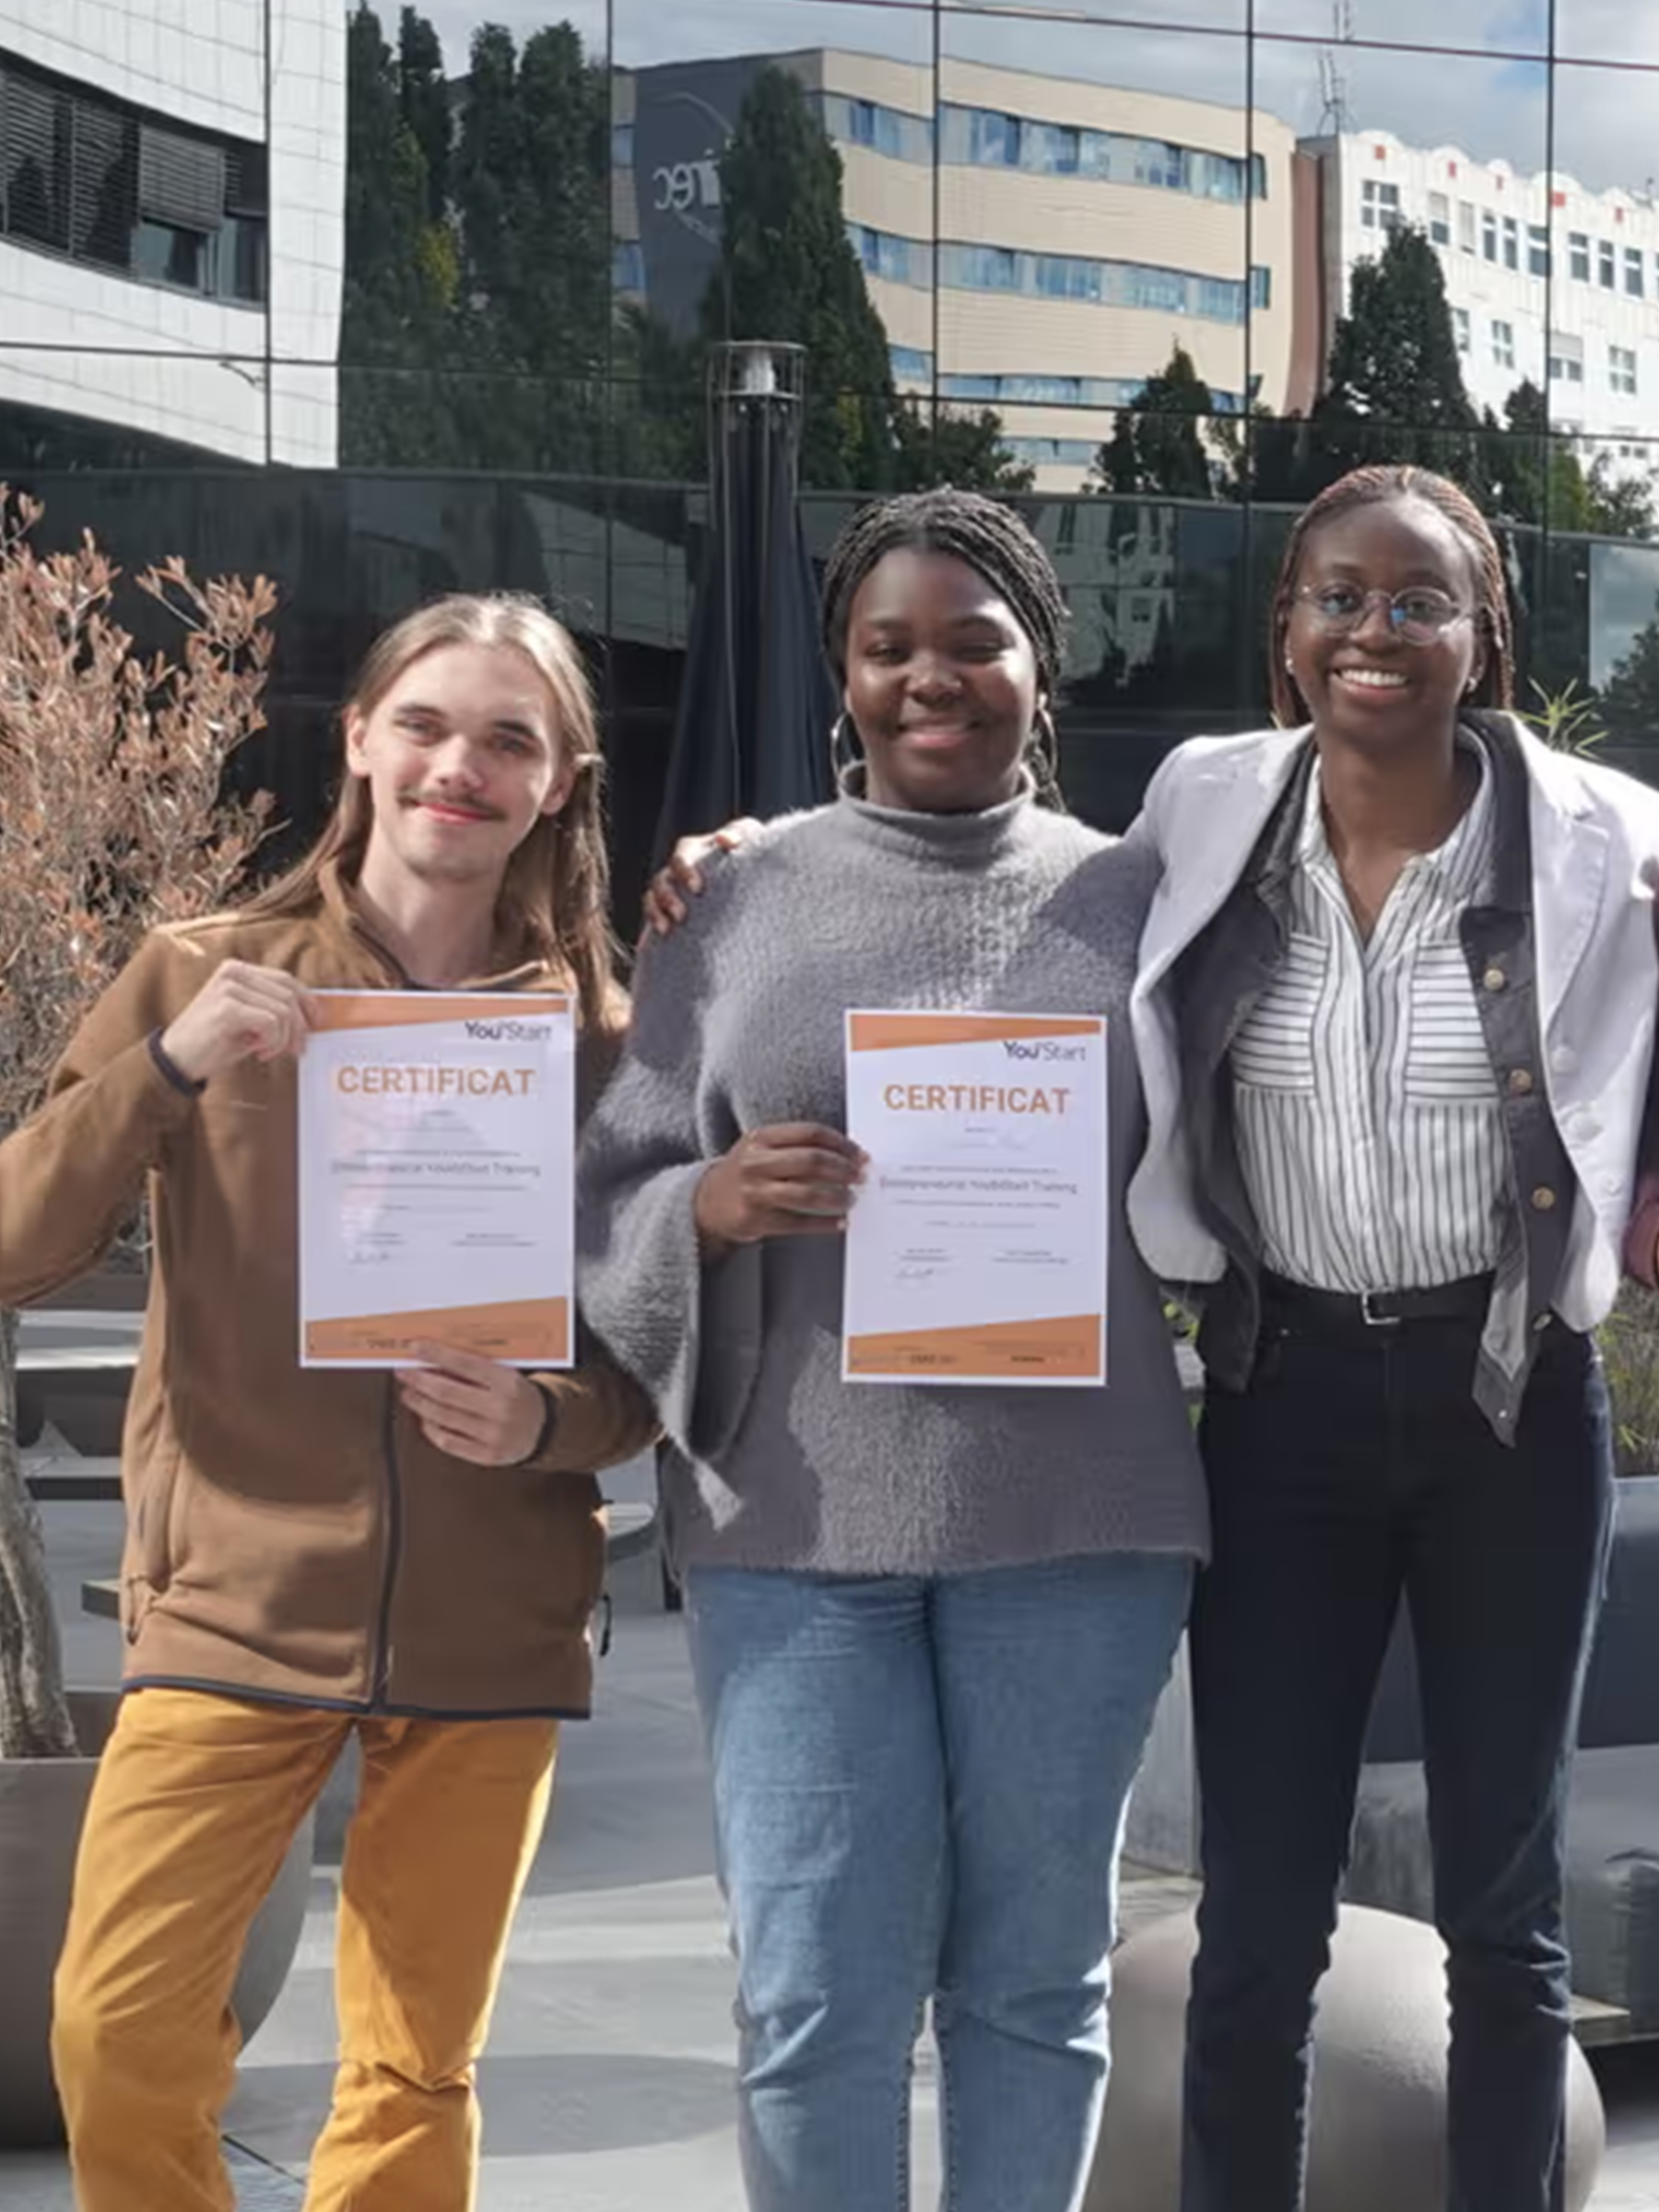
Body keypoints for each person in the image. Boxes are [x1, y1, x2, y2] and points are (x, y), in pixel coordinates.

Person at [577, 488, 1206, 2212]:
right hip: (795, 1529)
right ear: (845, 679)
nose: (933, 675)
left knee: (1033, 1992)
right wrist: (708, 1201)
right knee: (813, 2000)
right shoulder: (735, 899)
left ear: (1038, 666)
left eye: (973, 640)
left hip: (1075, 1526)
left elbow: (1244, 1154)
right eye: (889, 646)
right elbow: (612, 1179)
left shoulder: (1144, 901)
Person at [1, 594, 658, 2212]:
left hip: (493, 1607)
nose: (462, 765)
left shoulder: (602, 1040)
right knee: (115, 2031)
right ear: (359, 740)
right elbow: (19, 1240)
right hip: (235, 1595)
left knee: (415, 2069)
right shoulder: (202, 976)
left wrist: (555, 1421)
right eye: (427, 724)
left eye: (511, 739)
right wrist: (166, 1068)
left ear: (559, 783)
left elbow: (664, 1344)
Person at [1123, 464, 1659, 2212]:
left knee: (1507, 1918)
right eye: (1339, 596)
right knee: (1256, 1916)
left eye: (1419, 599)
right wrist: (742, 852)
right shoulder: (1202, 809)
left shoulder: (1604, 836)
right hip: (1276, 1406)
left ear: (1482, 634)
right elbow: (1006, 899)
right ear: (1286, 633)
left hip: (1510, 1399)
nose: (1377, 629)